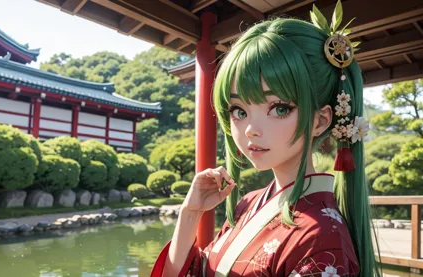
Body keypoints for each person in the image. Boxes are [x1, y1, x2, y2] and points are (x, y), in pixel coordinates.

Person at [151, 2, 381, 276]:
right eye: (239, 110)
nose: (250, 129)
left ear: (320, 121)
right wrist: (190, 214)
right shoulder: (248, 203)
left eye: (280, 108)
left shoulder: (322, 239)